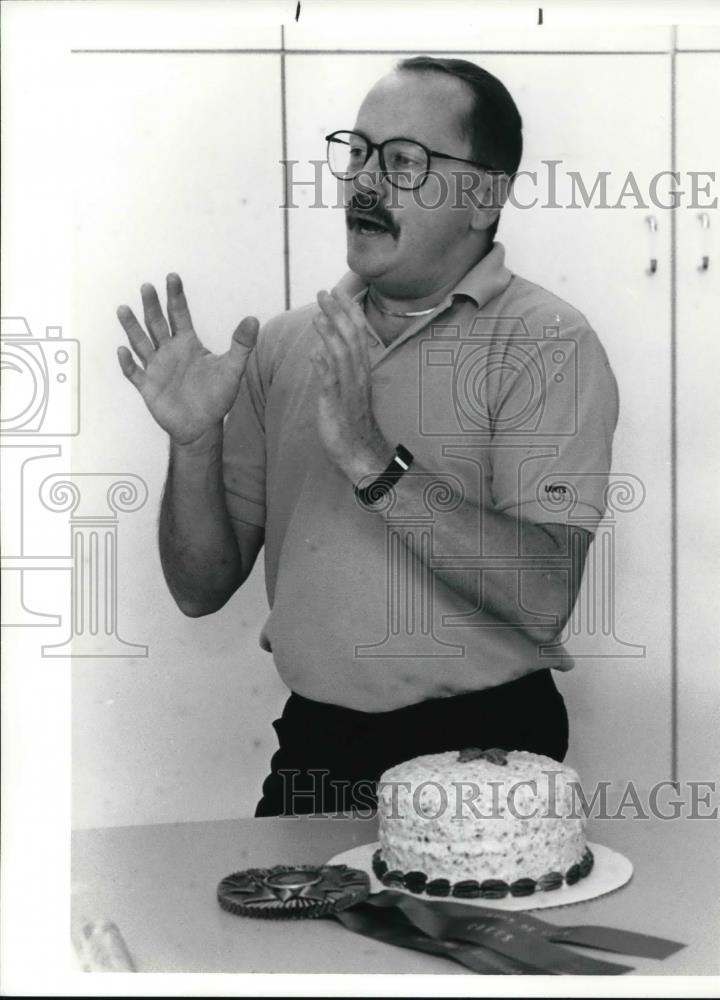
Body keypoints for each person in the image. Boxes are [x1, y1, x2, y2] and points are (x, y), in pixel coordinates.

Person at [116, 57, 619, 816]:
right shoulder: (285, 345)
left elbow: (543, 596)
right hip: (317, 750)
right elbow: (198, 588)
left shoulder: (548, 342)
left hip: (484, 756)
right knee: (282, 934)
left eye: (404, 161)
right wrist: (193, 443)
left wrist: (368, 456)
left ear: (484, 196)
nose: (365, 183)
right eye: (357, 153)